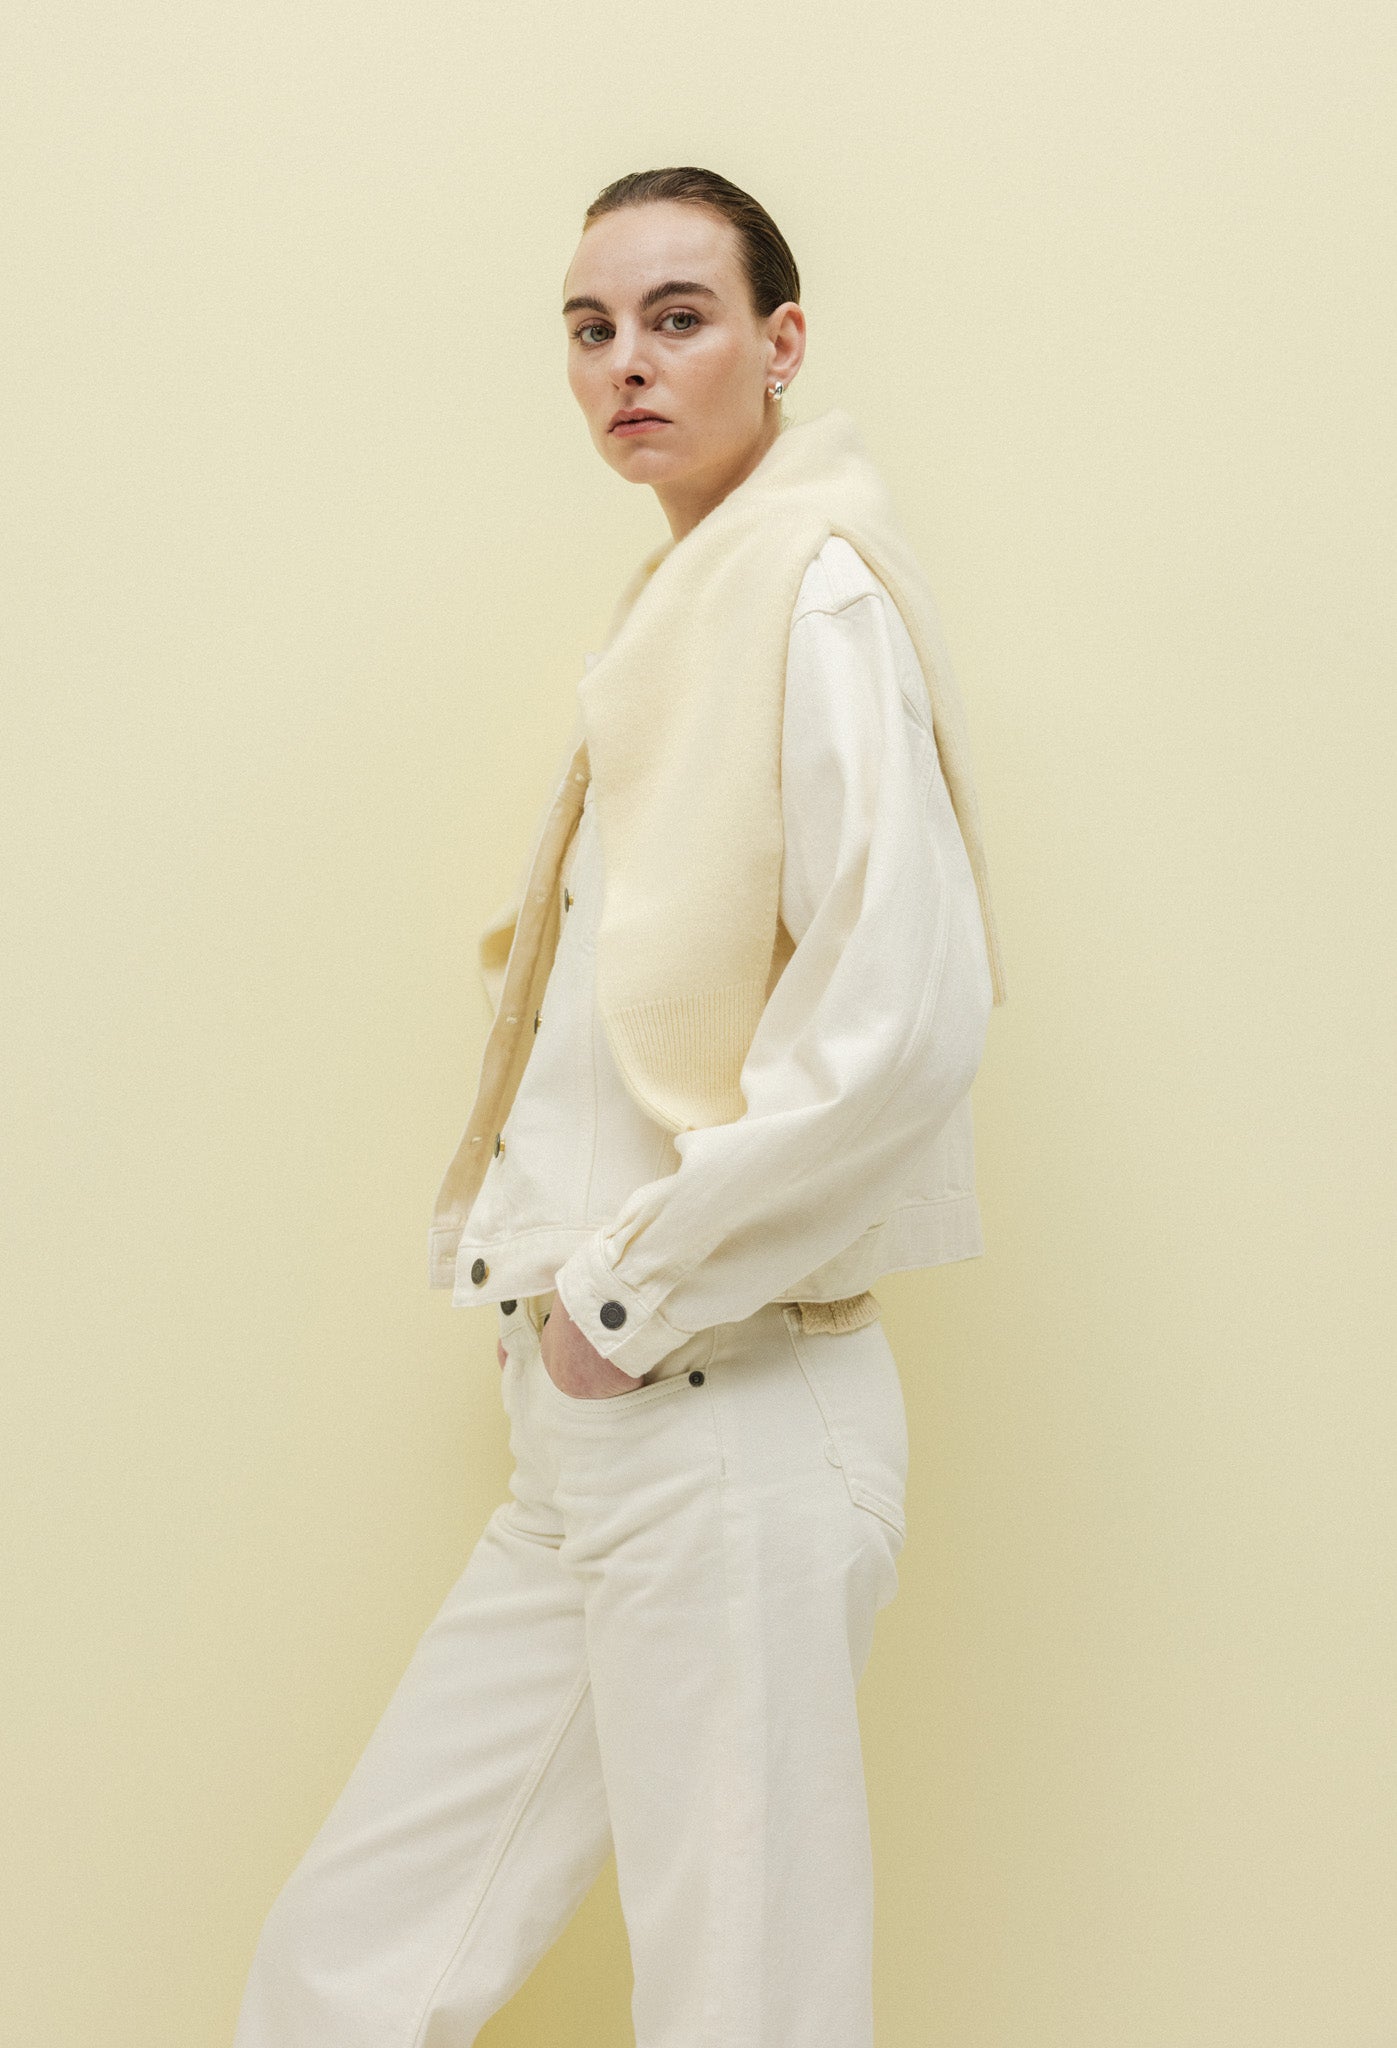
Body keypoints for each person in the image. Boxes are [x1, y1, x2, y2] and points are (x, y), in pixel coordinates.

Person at [233, 164, 1006, 2048]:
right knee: (352, 1964)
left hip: (723, 1413)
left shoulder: (813, 593)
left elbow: (900, 1016)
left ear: (779, 342)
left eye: (677, 318)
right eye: (592, 329)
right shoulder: (688, 604)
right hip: (597, 1433)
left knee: (743, 2005)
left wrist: (619, 1296)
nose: (626, 365)